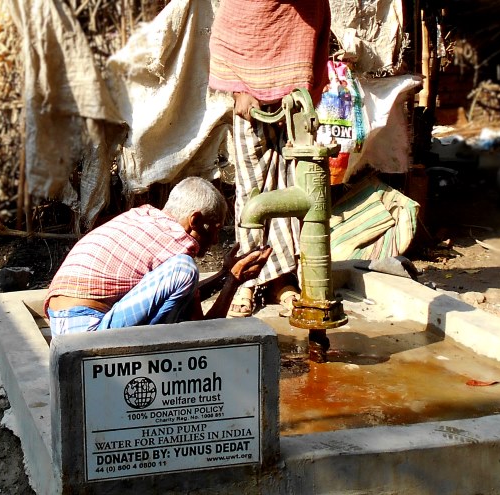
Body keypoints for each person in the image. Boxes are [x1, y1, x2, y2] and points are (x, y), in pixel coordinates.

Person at [208, 0, 331, 316]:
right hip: (250, 104)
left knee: (294, 186)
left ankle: (281, 280)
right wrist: (239, 91)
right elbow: (225, 41)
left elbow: (312, 39)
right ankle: (245, 283)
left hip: (294, 106)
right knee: (253, 192)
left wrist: (298, 93)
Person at [45, 177, 272, 335]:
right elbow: (203, 329)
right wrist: (232, 282)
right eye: (213, 229)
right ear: (194, 221)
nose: (214, 241)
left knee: (182, 275)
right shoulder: (175, 245)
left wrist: (224, 274)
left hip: (63, 322)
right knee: (184, 270)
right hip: (87, 333)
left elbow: (178, 299)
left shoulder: (144, 218)